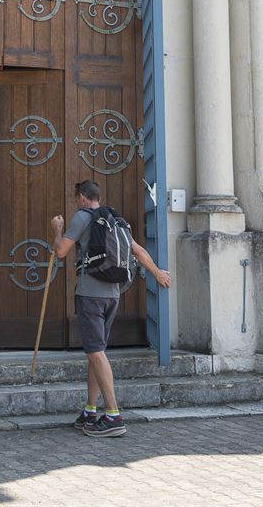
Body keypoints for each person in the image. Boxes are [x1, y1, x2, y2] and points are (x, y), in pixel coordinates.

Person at [51, 179, 171, 438]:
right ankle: (90, 410)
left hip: (90, 295)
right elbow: (138, 251)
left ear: (82, 197)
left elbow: (61, 251)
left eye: (76, 198)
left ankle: (114, 415)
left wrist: (57, 229)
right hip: (113, 295)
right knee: (97, 352)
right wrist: (157, 273)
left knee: (95, 352)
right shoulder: (117, 220)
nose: (76, 202)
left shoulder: (83, 217)